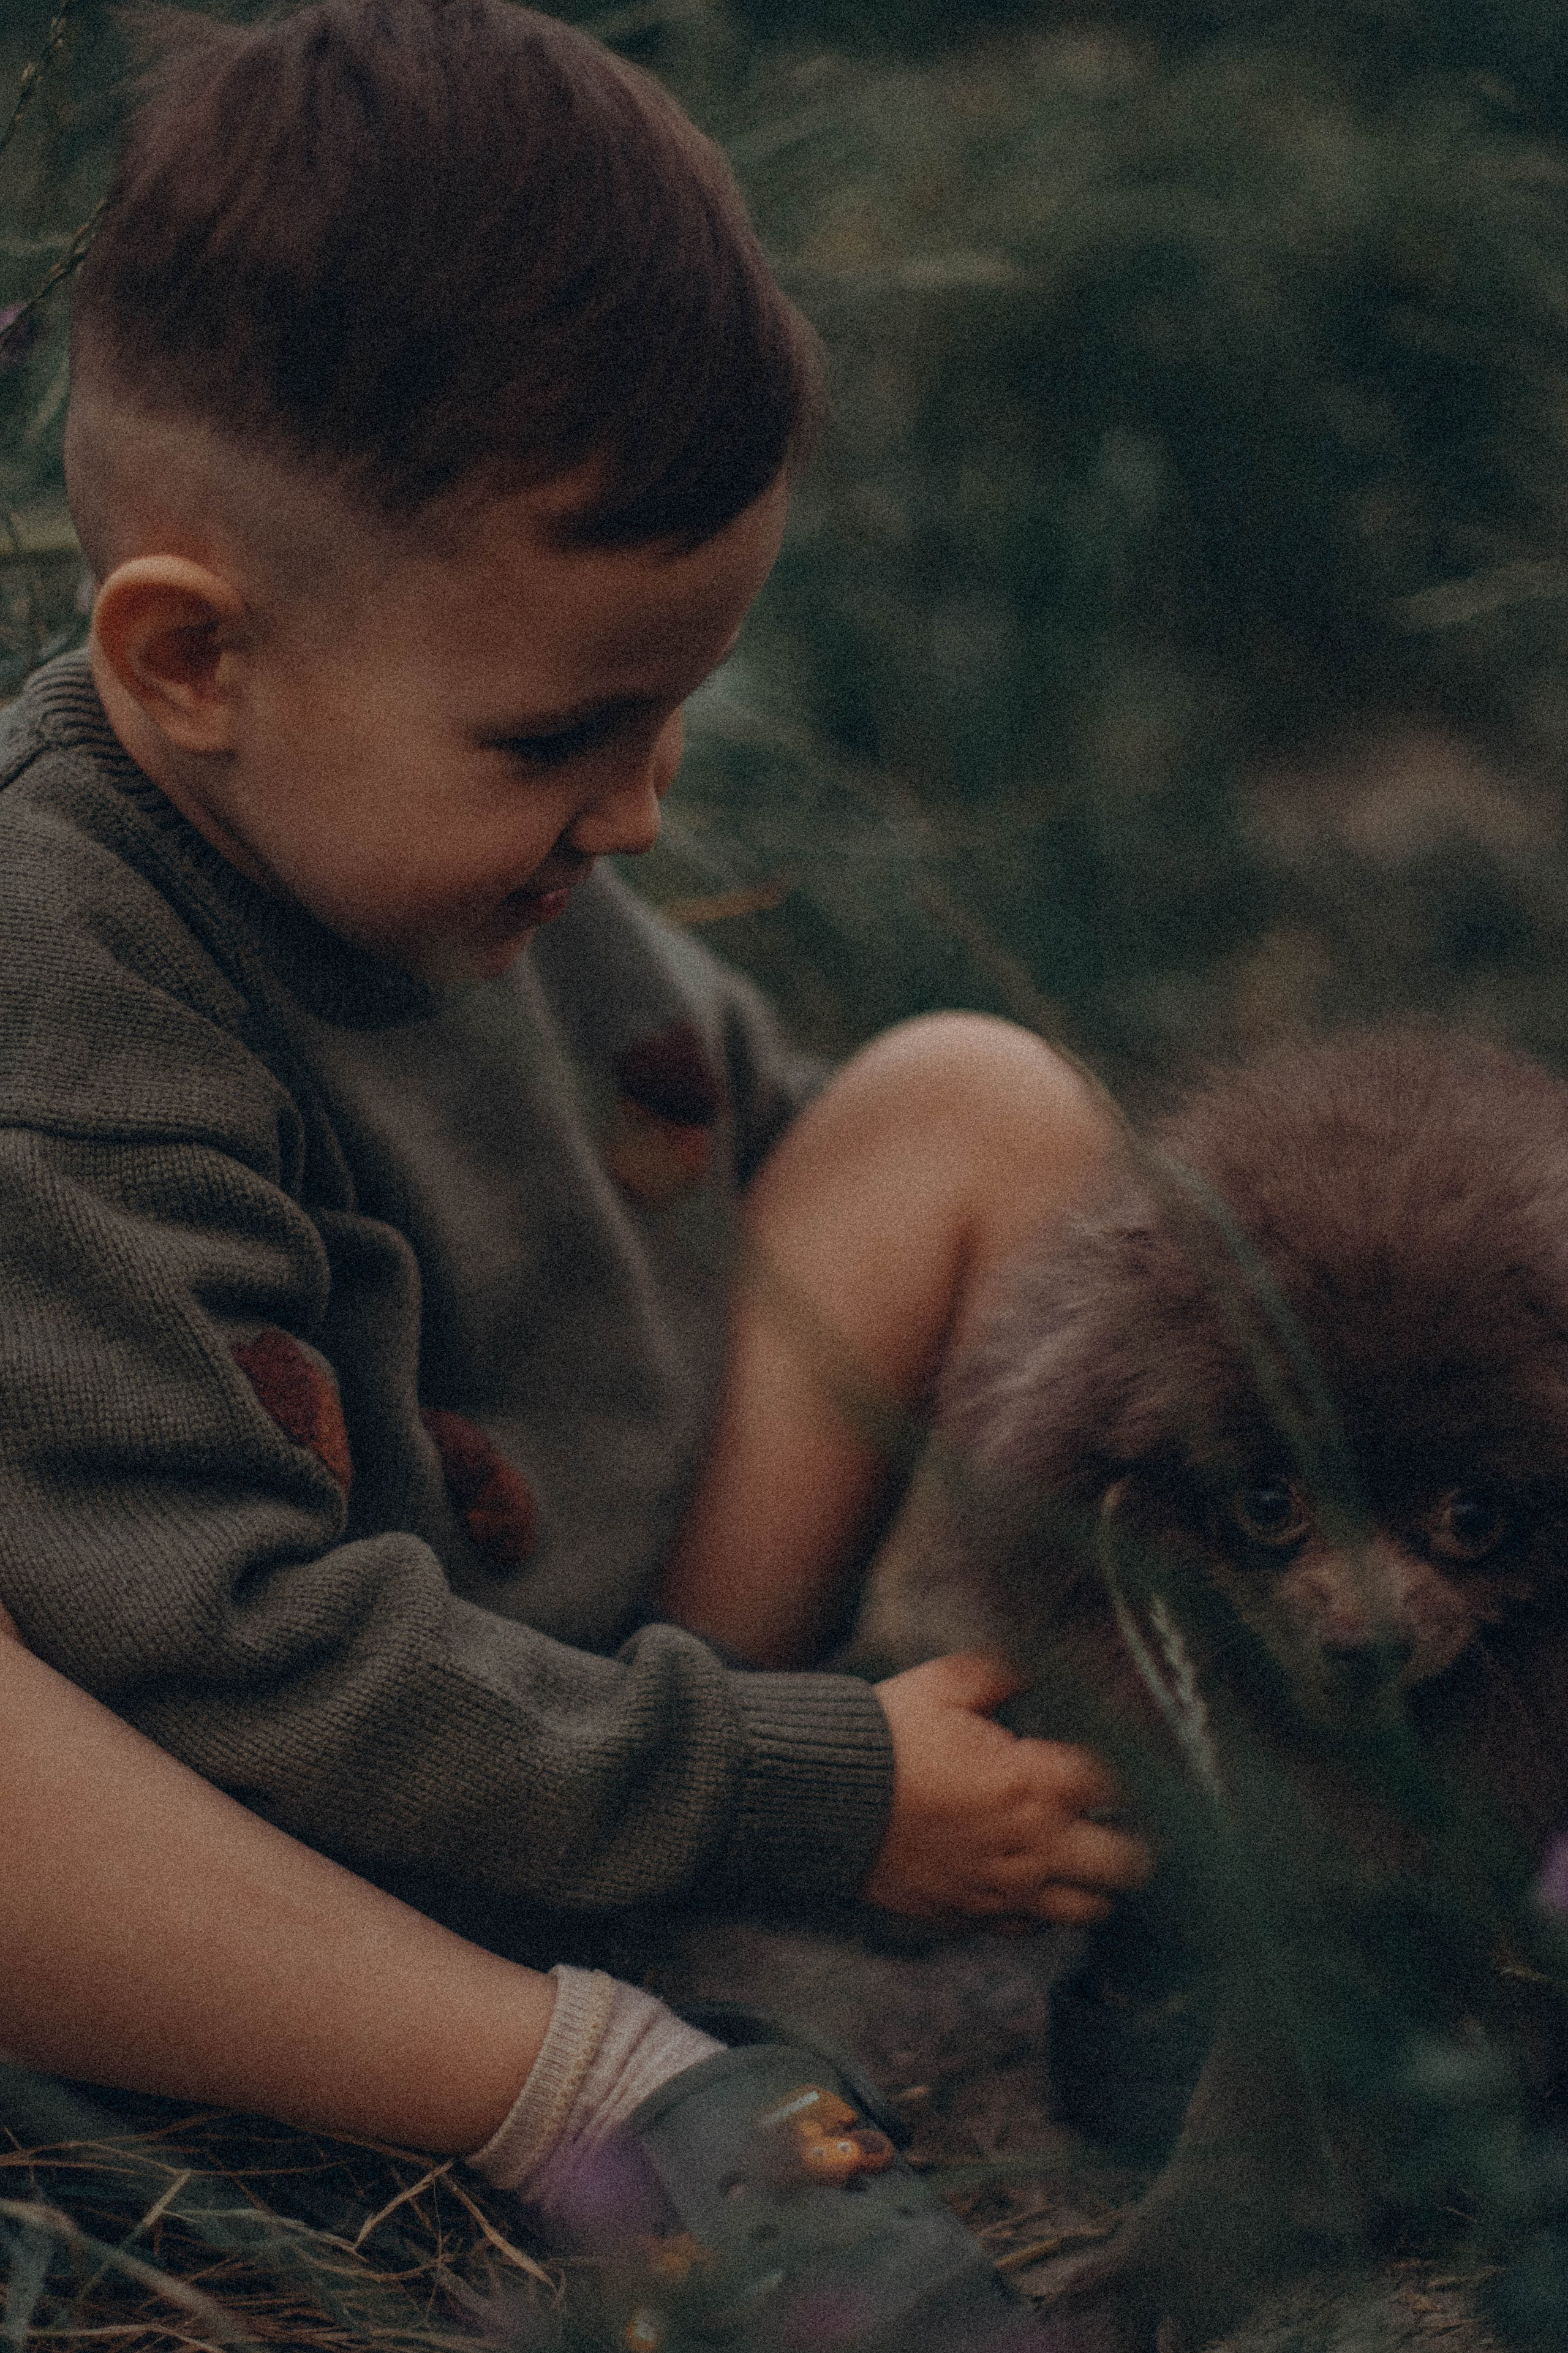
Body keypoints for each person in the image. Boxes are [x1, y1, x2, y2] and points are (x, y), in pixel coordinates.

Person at [0, 0, 1148, 2167]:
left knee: (982, 1107)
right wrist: (821, 1785)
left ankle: (1278, 1806)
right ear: (192, 659)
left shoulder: (443, 851)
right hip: (282, 1853)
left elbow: (711, 1173)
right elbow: (239, 1657)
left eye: (673, 708)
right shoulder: (71, 1015)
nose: (636, 810)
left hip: (598, 1688)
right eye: (555, 741)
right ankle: (595, 2080)